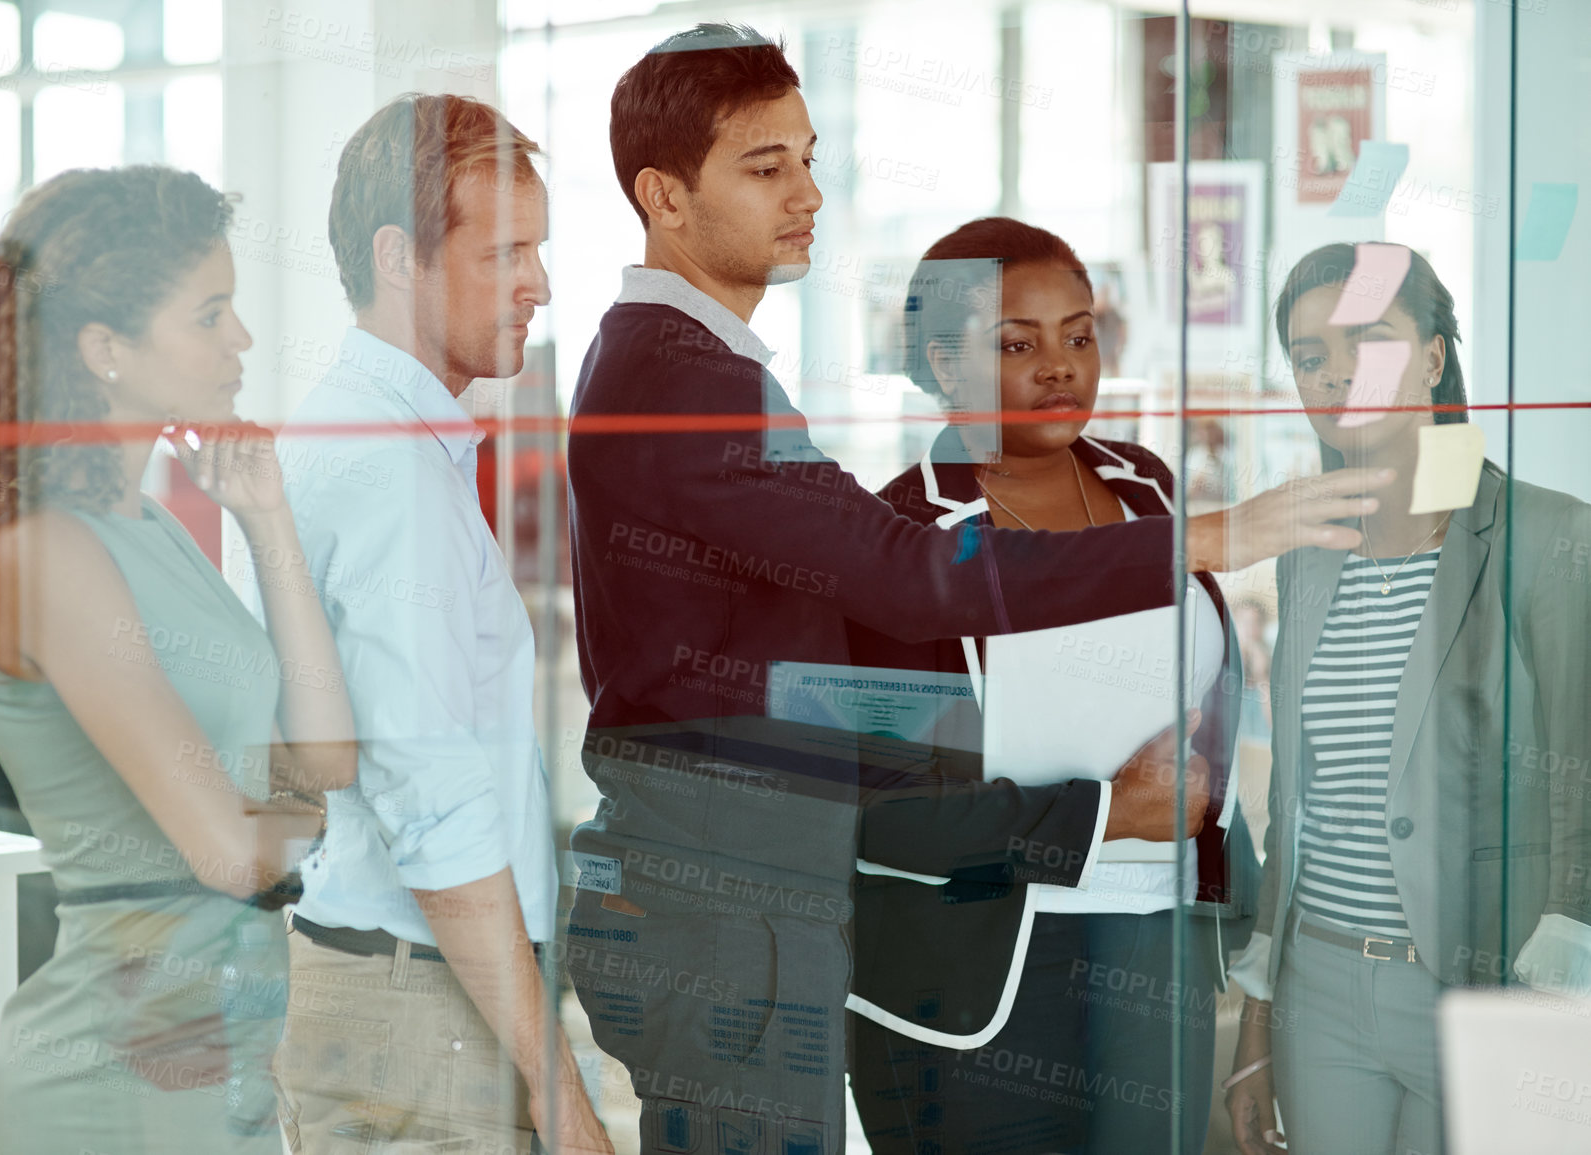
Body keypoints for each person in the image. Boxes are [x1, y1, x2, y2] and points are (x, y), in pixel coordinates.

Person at [562, 23, 1391, 1154]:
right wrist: (1214, 537)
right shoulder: (680, 379)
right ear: (662, 195)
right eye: (767, 169)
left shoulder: (708, 368)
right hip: (734, 900)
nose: (807, 193)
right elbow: (903, 585)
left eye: (808, 158)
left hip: (771, 897)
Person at [0, 166, 357, 1154]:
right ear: (104, 348)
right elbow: (235, 853)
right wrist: (303, 808)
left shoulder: (148, 526)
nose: (241, 341)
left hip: (218, 1057)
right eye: (210, 314)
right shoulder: (49, 553)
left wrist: (268, 523)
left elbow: (326, 758)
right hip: (119, 1078)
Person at [844, 217, 1260, 1155]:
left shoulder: (1145, 488)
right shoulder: (897, 536)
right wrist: (1111, 809)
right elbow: (884, 810)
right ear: (943, 363)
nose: (1061, 365)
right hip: (977, 985)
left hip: (1158, 951)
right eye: (1015, 344)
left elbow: (1207, 697)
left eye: (1078, 335)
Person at [269, 94, 612, 1155]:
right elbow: (433, 809)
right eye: (507, 251)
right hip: (419, 1013)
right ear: (399, 258)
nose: (540, 285)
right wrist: (565, 1101)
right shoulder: (388, 470)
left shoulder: (368, 437)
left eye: (540, 250)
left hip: (407, 994)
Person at [1223, 243, 1591, 1155]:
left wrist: (1551, 1008)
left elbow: (1578, 785)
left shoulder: (1545, 535)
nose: (1338, 372)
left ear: (1432, 355)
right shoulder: (1307, 557)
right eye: (1309, 356)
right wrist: (1259, 1021)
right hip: (1320, 990)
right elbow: (1294, 809)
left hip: (1480, 987)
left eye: (1368, 340)